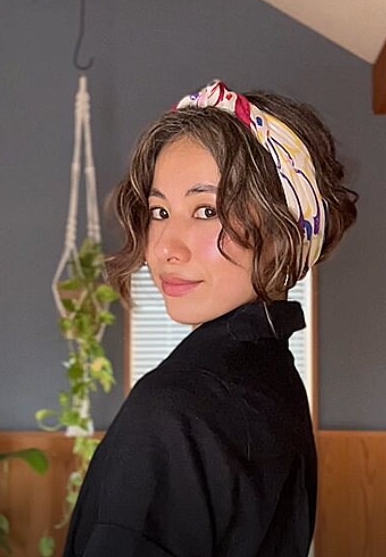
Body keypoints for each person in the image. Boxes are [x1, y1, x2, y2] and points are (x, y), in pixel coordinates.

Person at [62, 80, 357, 556]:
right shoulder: (272, 377)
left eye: (206, 210)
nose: (164, 248)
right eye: (160, 211)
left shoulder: (174, 410)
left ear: (283, 229)